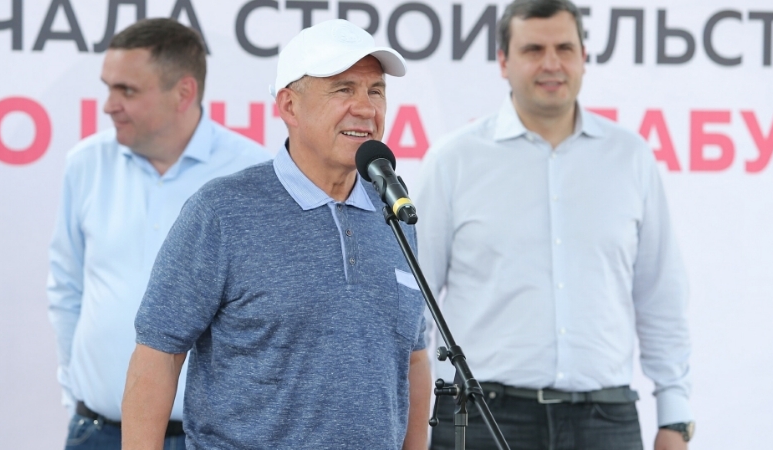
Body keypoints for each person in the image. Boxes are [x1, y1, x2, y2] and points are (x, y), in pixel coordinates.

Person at [120, 19, 431, 449]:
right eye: (343, 89)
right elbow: (158, 354)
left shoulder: (394, 211)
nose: (365, 108)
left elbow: (412, 359)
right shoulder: (222, 211)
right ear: (289, 106)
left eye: (375, 91)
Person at [415, 1, 694, 449]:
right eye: (533, 50)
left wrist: (675, 417)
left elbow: (660, 294)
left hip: (605, 421)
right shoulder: (453, 161)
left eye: (565, 48)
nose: (551, 64)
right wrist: (409, 420)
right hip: (482, 417)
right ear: (503, 62)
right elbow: (414, 306)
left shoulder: (630, 158)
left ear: (584, 56)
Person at [47, 18, 271, 450]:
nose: (109, 105)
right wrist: (75, 387)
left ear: (184, 92)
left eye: (127, 90)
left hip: (208, 440)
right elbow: (66, 288)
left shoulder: (253, 175)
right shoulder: (85, 164)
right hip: (95, 432)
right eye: (108, 87)